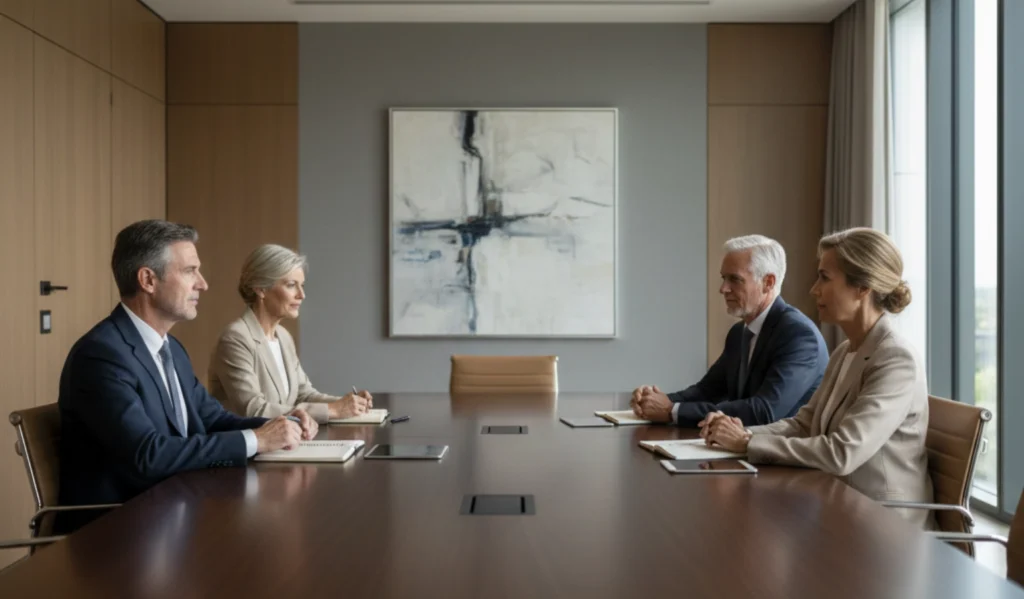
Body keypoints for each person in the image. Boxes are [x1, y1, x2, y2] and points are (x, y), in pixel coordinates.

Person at [58, 220, 317, 532]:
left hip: (173, 511)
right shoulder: (102, 356)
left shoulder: (172, 350)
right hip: (117, 531)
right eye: (190, 271)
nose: (202, 284)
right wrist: (257, 440)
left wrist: (281, 425)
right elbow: (148, 454)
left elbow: (213, 419)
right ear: (148, 280)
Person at [702, 227, 934, 528]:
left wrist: (747, 443)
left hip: (884, 525)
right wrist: (743, 434)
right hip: (839, 505)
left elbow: (842, 452)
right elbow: (804, 424)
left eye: (824, 277)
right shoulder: (845, 352)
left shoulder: (896, 359)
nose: (814, 290)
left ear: (862, 287)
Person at [631, 235, 828, 427]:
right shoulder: (739, 332)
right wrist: (654, 400)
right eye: (724, 278)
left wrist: (671, 411)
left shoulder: (799, 335)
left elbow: (764, 411)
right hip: (736, 446)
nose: (723, 289)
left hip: (778, 455)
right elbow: (706, 391)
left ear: (768, 282)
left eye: (735, 279)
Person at [208, 244, 372, 424]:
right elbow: (254, 409)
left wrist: (347, 403)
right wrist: (333, 410)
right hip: (250, 448)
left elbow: (303, 394)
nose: (302, 295)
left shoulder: (283, 336)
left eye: (301, 285)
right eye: (291, 285)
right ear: (261, 288)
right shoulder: (236, 338)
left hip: (284, 442)